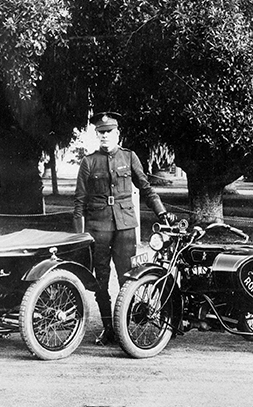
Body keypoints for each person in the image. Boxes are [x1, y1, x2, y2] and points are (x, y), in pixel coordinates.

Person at [73, 111, 176, 345]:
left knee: (127, 278)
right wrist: (79, 236)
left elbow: (146, 188)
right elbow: (78, 203)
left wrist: (161, 212)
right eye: (101, 132)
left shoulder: (129, 157)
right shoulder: (89, 162)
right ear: (97, 135)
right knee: (100, 280)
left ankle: (124, 328)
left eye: (109, 132)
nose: (105, 136)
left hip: (125, 228)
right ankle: (108, 328)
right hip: (97, 229)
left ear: (118, 133)